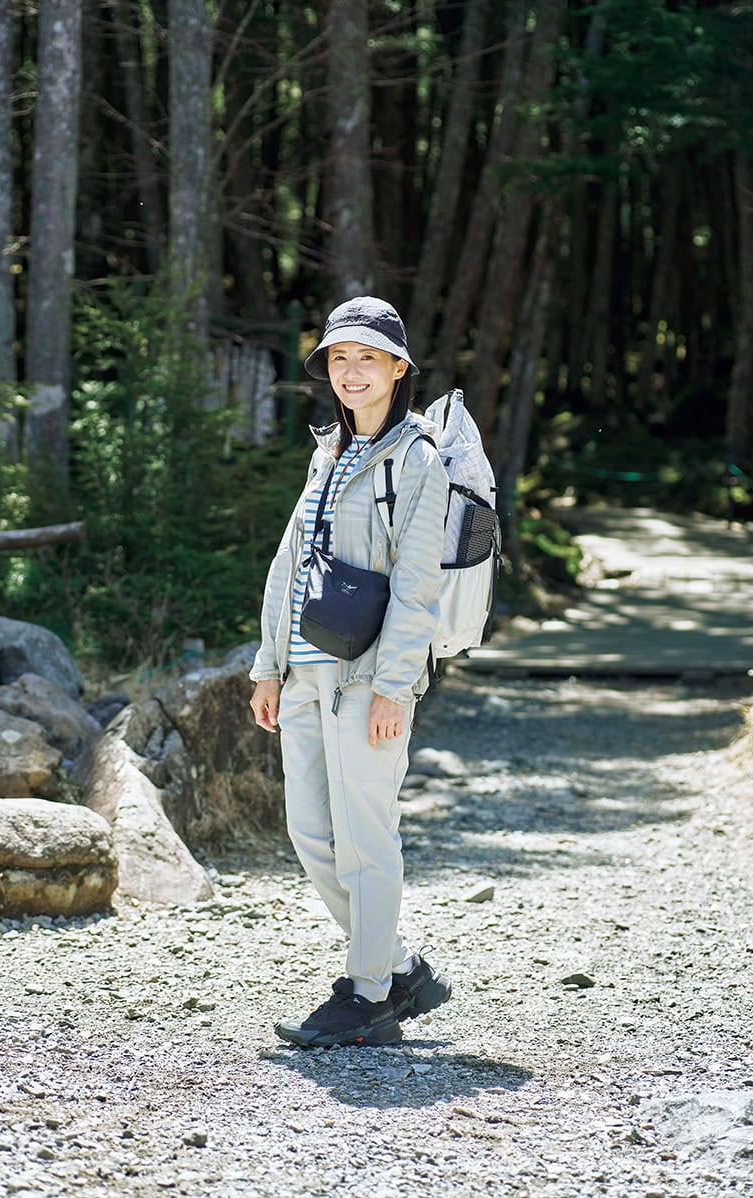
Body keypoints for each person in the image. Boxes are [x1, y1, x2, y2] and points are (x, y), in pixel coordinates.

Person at [249, 296, 452, 1048]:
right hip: (303, 677)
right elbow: (288, 563)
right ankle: (398, 966)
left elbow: (417, 583)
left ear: (399, 369)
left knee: (366, 838)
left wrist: (396, 685)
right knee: (311, 835)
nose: (352, 371)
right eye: (340, 358)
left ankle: (368, 992)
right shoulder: (326, 452)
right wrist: (267, 666)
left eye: (368, 358)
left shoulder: (419, 460)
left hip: (367, 679)